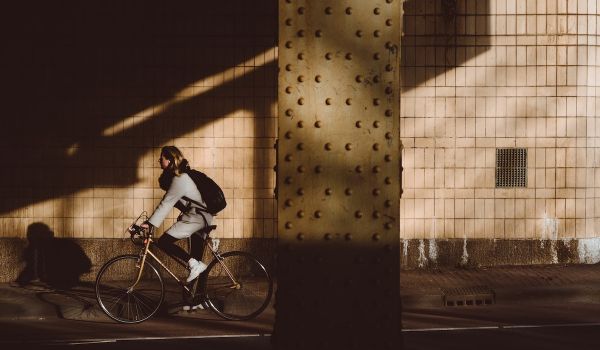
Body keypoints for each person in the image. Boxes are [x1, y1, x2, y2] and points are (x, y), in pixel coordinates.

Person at [139, 146, 212, 283]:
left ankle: (194, 265)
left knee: (164, 242)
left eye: (163, 157)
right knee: (197, 260)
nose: (159, 159)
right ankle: (195, 302)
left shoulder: (180, 179)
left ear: (170, 160)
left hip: (197, 218)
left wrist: (149, 223)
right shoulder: (180, 178)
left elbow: (166, 203)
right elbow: (180, 203)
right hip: (200, 217)